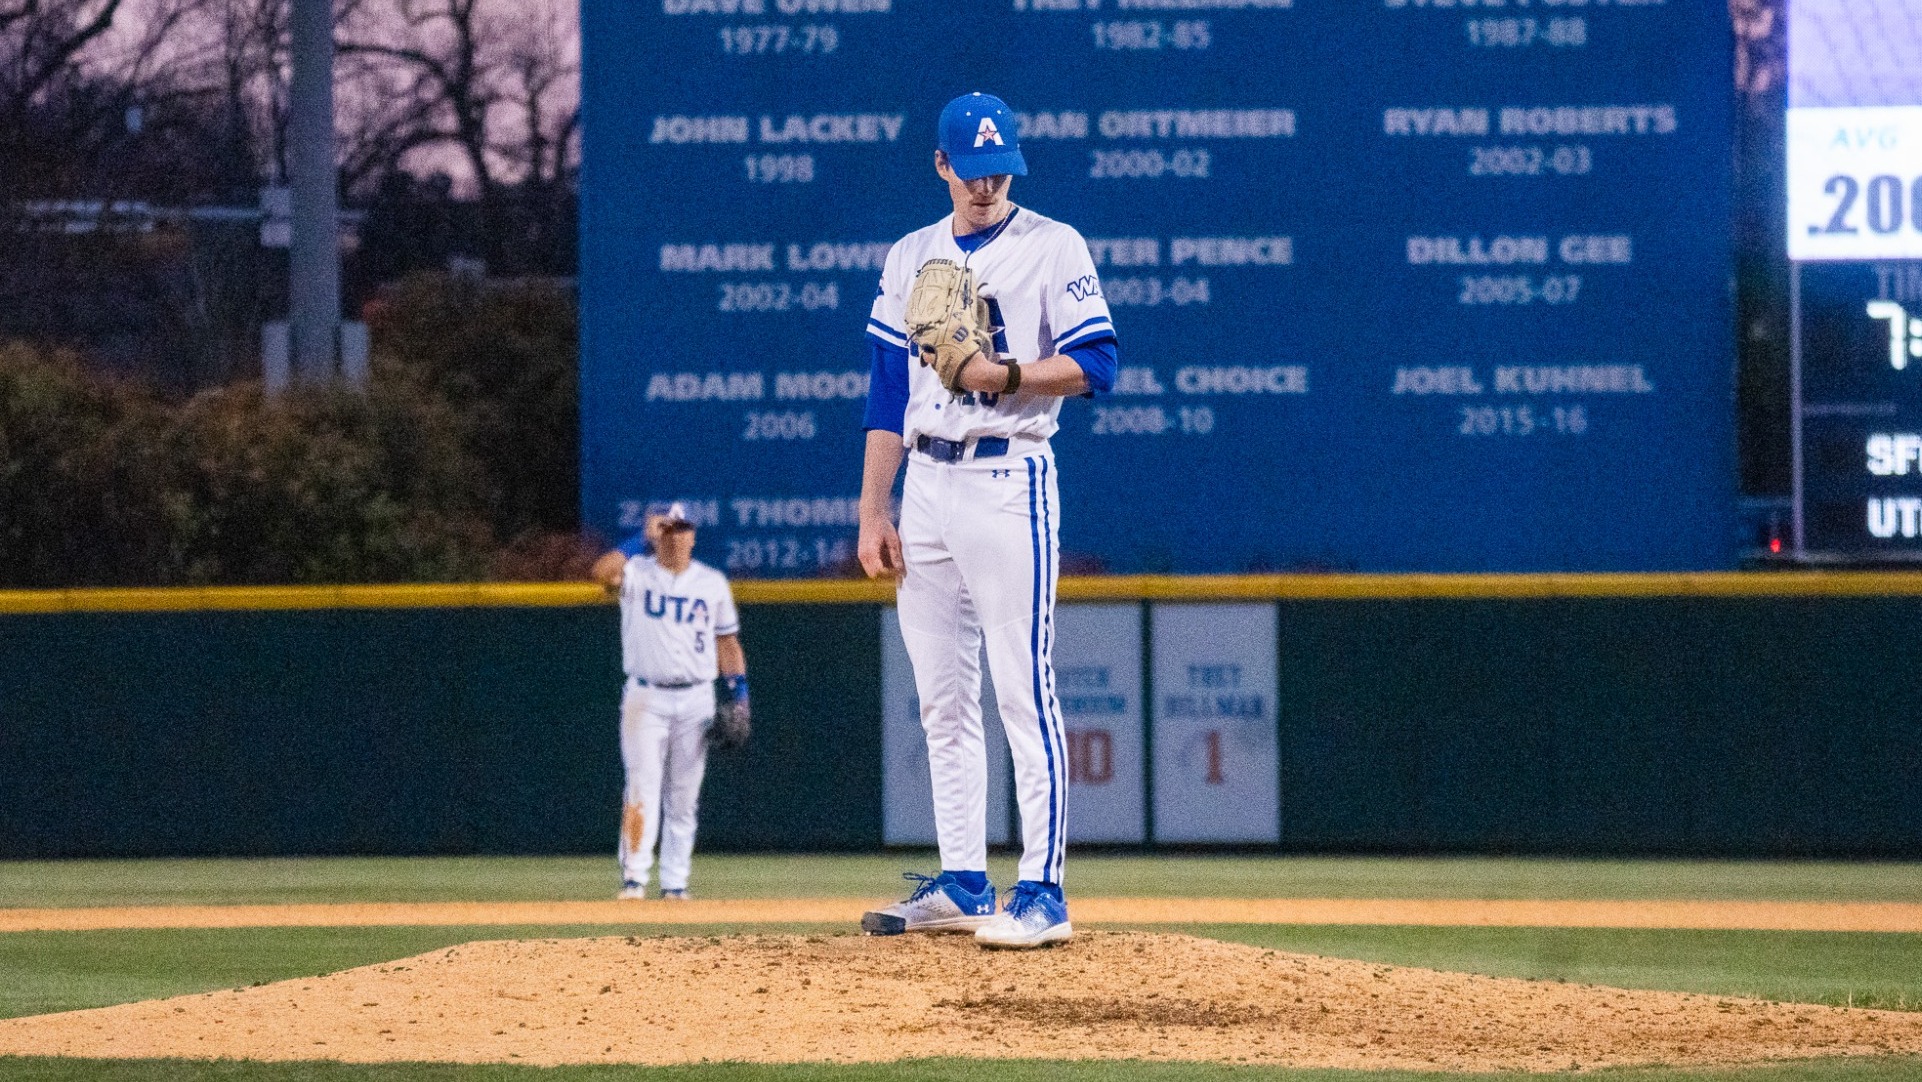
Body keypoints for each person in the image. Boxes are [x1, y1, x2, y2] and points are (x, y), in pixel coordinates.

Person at [856, 92, 1119, 949]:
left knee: (1020, 685)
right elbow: (887, 392)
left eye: (1000, 168)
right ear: (941, 166)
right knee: (941, 698)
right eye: (971, 171)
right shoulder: (909, 255)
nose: (986, 183)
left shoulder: (1052, 245)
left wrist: (1002, 376)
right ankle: (965, 879)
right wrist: (873, 506)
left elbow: (1099, 364)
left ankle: (1043, 890)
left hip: (1008, 475)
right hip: (925, 484)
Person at [591, 502, 749, 900]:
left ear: (694, 535)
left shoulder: (711, 582)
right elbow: (600, 573)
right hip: (646, 696)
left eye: (683, 528)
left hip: (697, 696)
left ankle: (676, 884)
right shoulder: (636, 573)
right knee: (642, 787)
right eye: (669, 528)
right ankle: (634, 880)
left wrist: (741, 697)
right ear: (658, 533)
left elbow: (727, 643)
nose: (676, 535)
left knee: (685, 795)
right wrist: (638, 540)